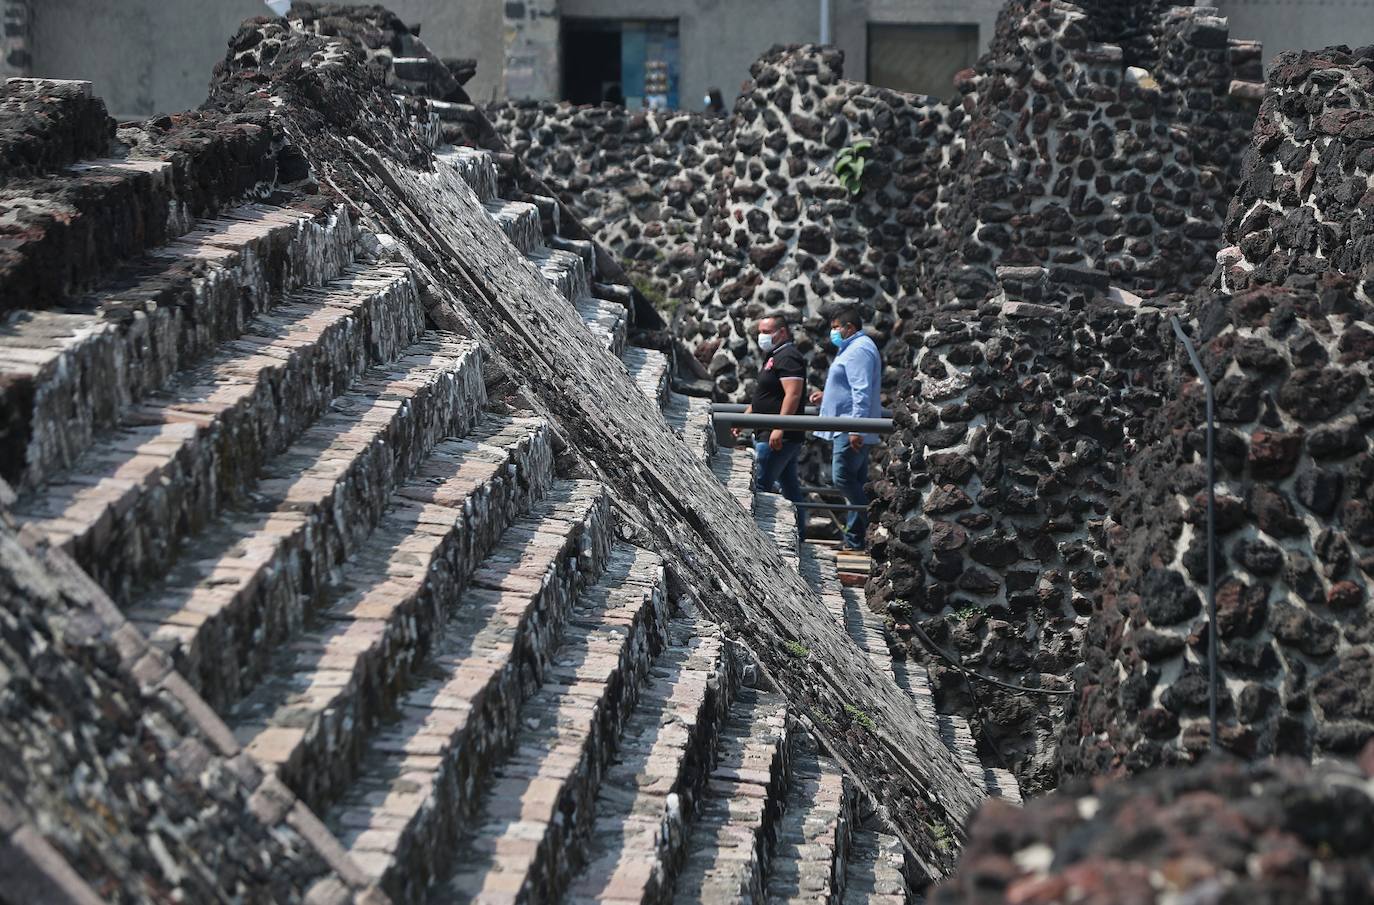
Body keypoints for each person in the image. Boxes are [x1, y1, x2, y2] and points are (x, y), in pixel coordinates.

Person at [810, 304, 881, 550]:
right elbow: (849, 386)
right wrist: (827, 394)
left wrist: (856, 428)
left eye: (836, 328)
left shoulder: (858, 350)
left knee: (842, 479)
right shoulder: (852, 347)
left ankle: (875, 522)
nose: (833, 333)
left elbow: (861, 391)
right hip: (848, 425)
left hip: (848, 427)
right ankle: (855, 540)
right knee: (856, 482)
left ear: (849, 327)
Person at [734, 314, 806, 540]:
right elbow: (765, 395)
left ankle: (759, 538)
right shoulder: (774, 355)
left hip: (776, 437)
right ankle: (800, 534)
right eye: (760, 331)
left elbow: (792, 394)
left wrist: (779, 427)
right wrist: (746, 418)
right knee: (790, 488)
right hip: (768, 432)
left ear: (782, 332)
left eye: (766, 331)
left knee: (762, 485)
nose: (761, 336)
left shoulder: (789, 357)